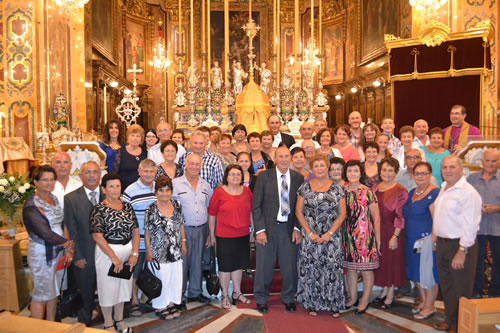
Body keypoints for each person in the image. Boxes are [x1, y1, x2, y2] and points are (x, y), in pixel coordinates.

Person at [432, 155, 482, 333]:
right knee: (447, 286)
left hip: (459, 246)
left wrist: (462, 251)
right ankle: (450, 320)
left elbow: (471, 224)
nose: (447, 171)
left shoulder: (468, 192)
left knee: (461, 288)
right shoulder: (444, 187)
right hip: (443, 244)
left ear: (461, 169)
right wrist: (435, 238)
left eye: (452, 167)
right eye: (445, 167)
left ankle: (461, 325)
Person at [252, 146, 305, 314]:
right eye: (280, 156)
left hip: (288, 229)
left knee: (289, 267)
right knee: (264, 267)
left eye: (286, 156)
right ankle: (261, 298)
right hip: (267, 228)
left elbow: (300, 207)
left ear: (290, 158)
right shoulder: (263, 177)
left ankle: (289, 297)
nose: (283, 159)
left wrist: (297, 228)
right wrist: (259, 230)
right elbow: (256, 206)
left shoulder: (298, 178)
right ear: (275, 158)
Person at [296, 154, 347, 317]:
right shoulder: (304, 187)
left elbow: (342, 214)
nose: (319, 168)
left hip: (332, 237)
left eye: (322, 165)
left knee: (332, 269)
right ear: (311, 168)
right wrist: (310, 233)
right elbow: (299, 212)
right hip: (310, 236)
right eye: (316, 165)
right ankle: (312, 302)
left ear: (328, 168)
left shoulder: (337, 188)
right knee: (311, 268)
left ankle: (333, 303)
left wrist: (329, 233)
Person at [23, 165, 74, 321]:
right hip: (42, 255)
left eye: (52, 179)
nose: (49, 183)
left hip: (58, 252)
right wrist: (68, 244)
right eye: (45, 179)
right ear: (36, 182)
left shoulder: (54, 198)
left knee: (54, 291)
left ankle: (52, 326)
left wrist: (67, 247)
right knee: (41, 295)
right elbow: (45, 234)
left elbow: (62, 223)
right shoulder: (32, 205)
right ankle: (38, 328)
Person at [90, 173, 140, 332]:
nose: (115, 189)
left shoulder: (127, 206)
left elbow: (136, 231)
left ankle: (120, 320)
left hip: (127, 254)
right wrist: (114, 258)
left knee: (123, 289)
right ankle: (108, 323)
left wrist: (134, 254)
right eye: (111, 186)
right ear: (104, 189)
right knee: (108, 289)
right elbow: (97, 236)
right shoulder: (98, 209)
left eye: (117, 186)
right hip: (107, 255)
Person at [207, 165, 253, 309]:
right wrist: (211, 233)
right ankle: (225, 294)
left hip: (243, 234)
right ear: (226, 176)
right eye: (232, 174)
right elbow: (212, 214)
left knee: (239, 265)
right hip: (224, 235)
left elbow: (251, 211)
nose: (235, 177)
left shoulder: (247, 191)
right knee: (226, 266)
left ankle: (237, 293)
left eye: (238, 174)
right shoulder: (219, 192)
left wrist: (253, 229)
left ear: (242, 177)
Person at [64, 161, 103, 325]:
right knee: (86, 296)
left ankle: (106, 321)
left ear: (100, 175)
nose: (92, 175)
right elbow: (71, 230)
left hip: (107, 255)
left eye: (95, 172)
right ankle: (84, 324)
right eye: (87, 172)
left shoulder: (110, 195)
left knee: (107, 293)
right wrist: (76, 255)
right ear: (80, 176)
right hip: (84, 255)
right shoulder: (71, 199)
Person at [172, 154, 214, 305]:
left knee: (198, 261)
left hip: (201, 229)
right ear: (186, 165)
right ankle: (179, 295)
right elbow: (170, 210)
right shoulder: (175, 184)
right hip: (182, 230)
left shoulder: (205, 185)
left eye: (197, 164)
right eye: (192, 164)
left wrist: (210, 232)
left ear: (201, 166)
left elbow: (210, 209)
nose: (195, 167)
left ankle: (195, 293)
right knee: (182, 264)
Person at [144, 176, 187, 320]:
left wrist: (184, 242)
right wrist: (148, 250)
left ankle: (171, 302)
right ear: (156, 192)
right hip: (158, 251)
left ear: (171, 191)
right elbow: (147, 231)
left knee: (175, 277)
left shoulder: (177, 204)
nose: (164, 193)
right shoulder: (151, 208)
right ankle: (160, 305)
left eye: (167, 190)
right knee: (162, 277)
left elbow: (181, 224)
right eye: (161, 190)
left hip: (175, 249)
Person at [342, 160, 381, 314]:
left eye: (355, 171)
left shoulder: (368, 192)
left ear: (360, 173)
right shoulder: (342, 191)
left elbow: (376, 218)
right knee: (351, 269)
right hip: (347, 236)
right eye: (350, 171)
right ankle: (352, 298)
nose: (352, 174)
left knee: (365, 269)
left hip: (364, 236)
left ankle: (365, 300)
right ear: (346, 173)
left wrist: (378, 240)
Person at [402, 161, 440, 320]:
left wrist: (433, 239)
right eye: (418, 173)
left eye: (424, 173)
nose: (420, 176)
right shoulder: (412, 192)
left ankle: (430, 306)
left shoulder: (435, 193)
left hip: (426, 239)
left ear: (430, 175)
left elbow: (437, 219)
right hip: (411, 239)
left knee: (428, 274)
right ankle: (424, 301)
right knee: (416, 272)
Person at [122, 159, 158, 316]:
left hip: (156, 240)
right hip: (138, 240)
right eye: (146, 171)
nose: (149, 174)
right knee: (135, 272)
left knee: (151, 271)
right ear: (139, 172)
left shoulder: (159, 188)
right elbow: (124, 216)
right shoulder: (130, 190)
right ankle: (134, 300)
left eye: (152, 171)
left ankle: (145, 298)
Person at [373, 157, 408, 309]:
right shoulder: (375, 187)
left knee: (392, 262)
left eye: (390, 170)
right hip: (377, 229)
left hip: (393, 231)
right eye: (384, 170)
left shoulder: (401, 191)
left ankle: (391, 293)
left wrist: (395, 236)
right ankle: (384, 291)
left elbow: (401, 216)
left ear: (396, 172)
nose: (387, 173)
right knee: (382, 263)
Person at [467, 149, 500, 298]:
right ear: (482, 162)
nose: (490, 164)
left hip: (497, 229)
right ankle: (476, 293)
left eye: (494, 161)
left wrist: (497, 208)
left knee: (498, 266)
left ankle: (496, 295)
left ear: (499, 162)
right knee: (475, 264)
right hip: (476, 229)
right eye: (487, 160)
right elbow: (463, 200)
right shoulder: (471, 179)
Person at [113, 124, 148, 191]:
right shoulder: (120, 152)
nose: (135, 138)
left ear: (141, 139)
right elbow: (115, 174)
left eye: (138, 136)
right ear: (128, 137)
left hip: (142, 190)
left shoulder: (145, 153)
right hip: (124, 190)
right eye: (132, 135)